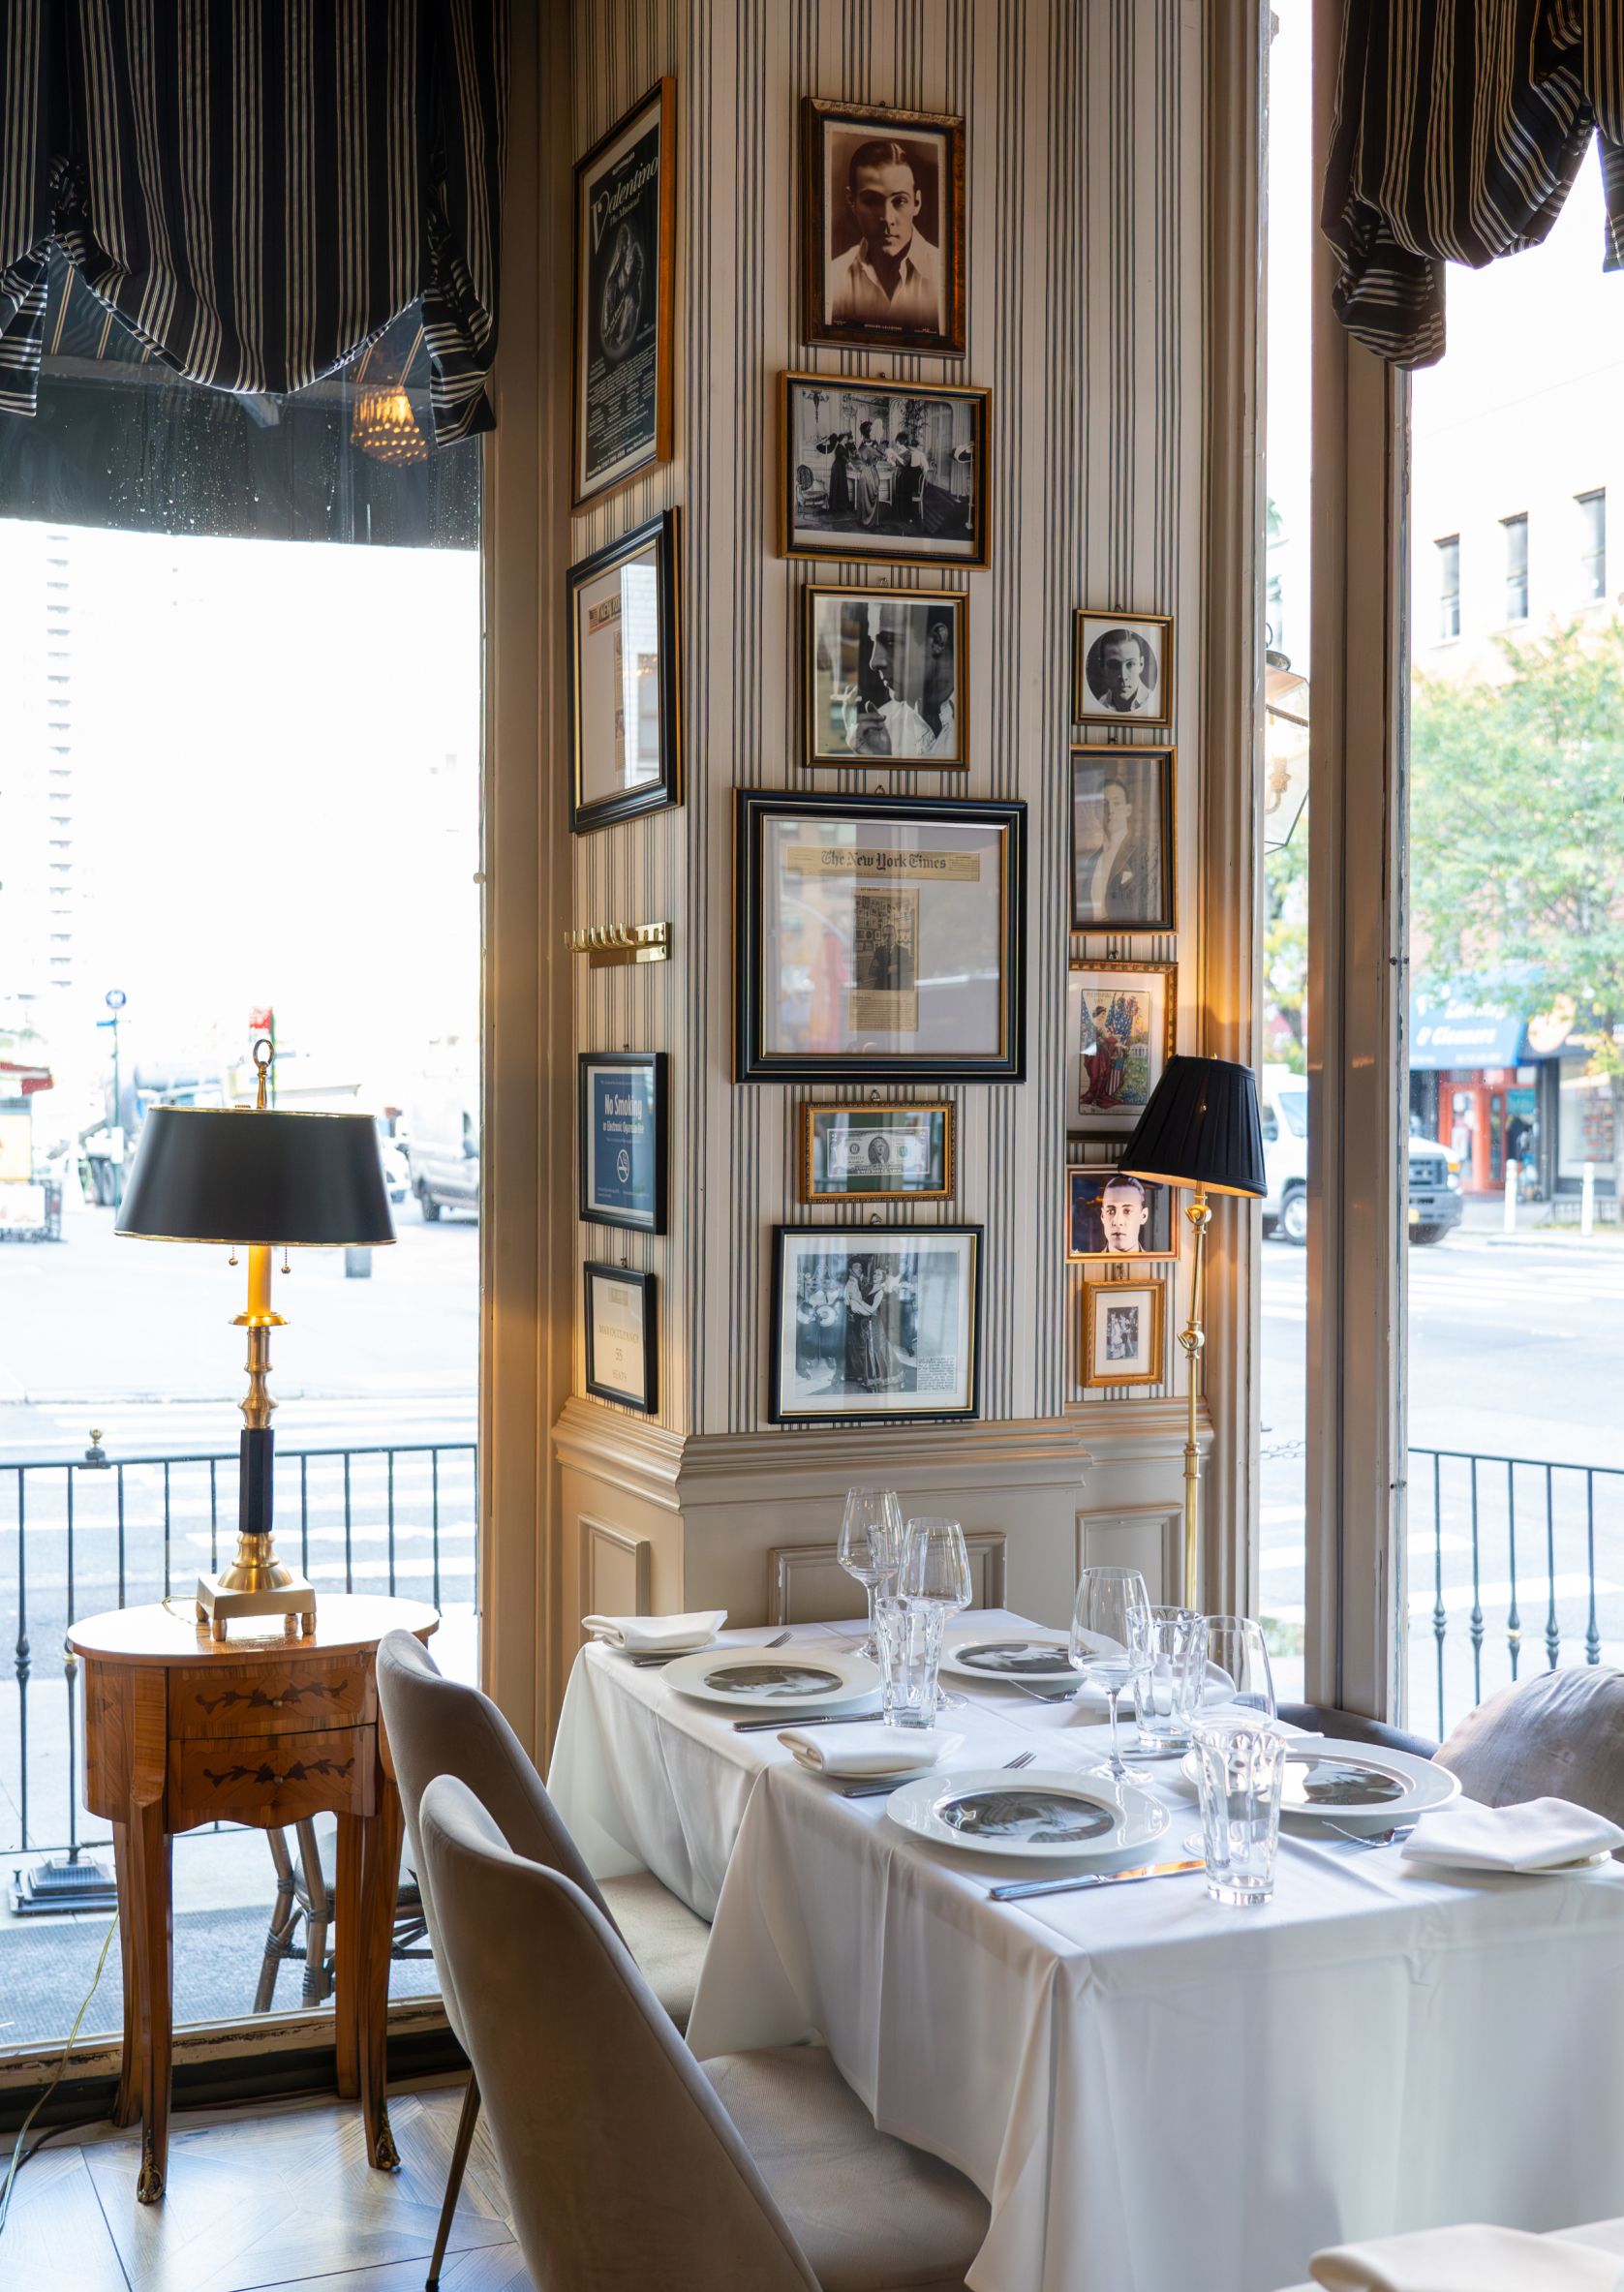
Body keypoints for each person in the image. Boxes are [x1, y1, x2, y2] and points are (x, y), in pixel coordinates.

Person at [827, 138, 943, 333]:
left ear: (917, 203)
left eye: (900, 201)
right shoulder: (833, 278)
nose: (888, 218)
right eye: (872, 201)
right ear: (851, 201)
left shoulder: (945, 279)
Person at [848, 598, 955, 757]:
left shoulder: (984, 719)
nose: (874, 662)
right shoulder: (880, 731)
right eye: (873, 642)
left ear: (937, 640)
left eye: (890, 642)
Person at [1078, 775, 1153, 922]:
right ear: (1096, 812)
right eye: (1104, 804)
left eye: (1117, 803)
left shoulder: (1145, 851)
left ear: (1128, 810)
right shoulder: (1092, 860)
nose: (1110, 810)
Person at [1086, 626, 1159, 715]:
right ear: (1102, 666)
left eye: (1130, 664)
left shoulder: (1154, 705)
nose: (1123, 676)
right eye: (1114, 665)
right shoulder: (1096, 707)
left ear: (1141, 664)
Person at [1096, 1173, 1152, 1255]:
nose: (1118, 1222)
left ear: (1143, 1216)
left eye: (1127, 1211)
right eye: (1111, 1211)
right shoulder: (1087, 1262)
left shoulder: (1157, 1262)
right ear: (1102, 1216)